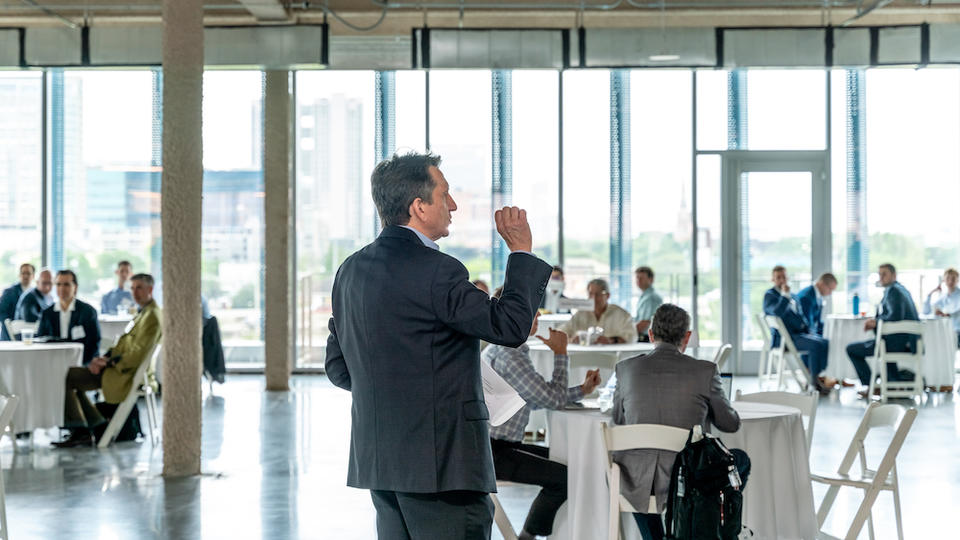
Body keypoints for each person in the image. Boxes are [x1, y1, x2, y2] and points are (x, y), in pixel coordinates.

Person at [324, 152, 552, 539]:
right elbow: (510, 326)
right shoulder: (438, 270)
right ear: (419, 207)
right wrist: (521, 252)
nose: (453, 205)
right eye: (445, 195)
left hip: (381, 463)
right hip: (443, 467)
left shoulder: (350, 270)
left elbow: (341, 369)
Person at [611, 304, 750, 540]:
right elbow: (730, 424)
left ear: (651, 335)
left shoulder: (625, 369)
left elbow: (618, 418)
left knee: (640, 467)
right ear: (686, 337)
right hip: (689, 480)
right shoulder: (705, 371)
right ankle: (699, 529)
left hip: (635, 479)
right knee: (740, 460)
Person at [483, 308, 601, 540]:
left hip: (494, 446)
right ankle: (527, 537)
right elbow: (553, 400)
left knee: (564, 462)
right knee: (564, 477)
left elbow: (535, 399)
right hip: (493, 451)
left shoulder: (501, 348)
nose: (538, 318)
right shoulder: (511, 355)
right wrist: (560, 353)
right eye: (533, 314)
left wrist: (582, 390)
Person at [53, 273, 162, 448]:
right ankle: (94, 425)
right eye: (132, 288)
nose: (134, 293)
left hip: (124, 373)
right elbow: (124, 345)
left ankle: (84, 429)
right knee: (70, 378)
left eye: (139, 288)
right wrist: (103, 358)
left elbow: (137, 354)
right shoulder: (144, 313)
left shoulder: (152, 317)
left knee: (67, 377)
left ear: (150, 289)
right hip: (117, 367)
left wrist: (109, 363)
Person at [846, 263, 920, 398]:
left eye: (884, 274)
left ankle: (871, 386)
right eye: (879, 274)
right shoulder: (900, 290)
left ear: (894, 275)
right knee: (881, 345)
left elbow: (895, 317)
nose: (881, 277)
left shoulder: (894, 291)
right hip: (904, 342)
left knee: (852, 349)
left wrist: (875, 322)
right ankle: (892, 383)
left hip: (896, 343)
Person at [762, 266, 831, 395]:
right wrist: (784, 296)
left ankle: (815, 376)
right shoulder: (770, 295)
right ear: (773, 279)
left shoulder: (793, 296)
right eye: (778, 277)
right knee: (816, 344)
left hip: (798, 334)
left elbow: (800, 316)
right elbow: (778, 313)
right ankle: (813, 382)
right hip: (783, 339)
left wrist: (808, 329)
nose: (782, 280)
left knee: (824, 342)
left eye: (784, 276)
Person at [37, 270, 101, 365]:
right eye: (58, 284)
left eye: (66, 284)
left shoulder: (88, 312)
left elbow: (93, 344)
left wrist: (79, 363)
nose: (62, 288)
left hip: (81, 363)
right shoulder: (47, 314)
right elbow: (41, 340)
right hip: (52, 363)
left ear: (75, 287)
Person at [561, 278, 638, 344]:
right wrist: (571, 340)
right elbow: (561, 332)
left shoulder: (621, 314)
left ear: (607, 296)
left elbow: (632, 336)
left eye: (598, 294)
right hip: (584, 357)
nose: (593, 298)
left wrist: (611, 340)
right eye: (591, 294)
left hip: (613, 358)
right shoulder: (580, 314)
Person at [924, 268, 960, 347]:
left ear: (957, 280)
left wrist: (945, 314)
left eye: (953, 279)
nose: (950, 281)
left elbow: (957, 312)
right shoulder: (944, 296)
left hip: (957, 332)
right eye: (948, 278)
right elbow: (926, 311)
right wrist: (931, 293)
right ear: (944, 280)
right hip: (948, 331)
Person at [796, 272, 838, 337]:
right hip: (802, 335)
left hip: (810, 331)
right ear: (822, 284)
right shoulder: (806, 297)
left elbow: (817, 322)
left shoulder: (818, 296)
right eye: (830, 289)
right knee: (828, 342)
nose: (830, 293)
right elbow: (808, 325)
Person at [0, 263, 35, 340]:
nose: (25, 276)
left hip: (28, 336)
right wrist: (11, 325)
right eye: (23, 273)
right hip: (9, 337)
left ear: (33, 276)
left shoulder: (36, 294)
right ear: (19, 275)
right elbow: (1, 312)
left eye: (28, 273)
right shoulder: (9, 292)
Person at [633, 266, 663, 343]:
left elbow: (645, 323)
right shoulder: (645, 296)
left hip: (646, 339)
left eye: (642, 278)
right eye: (637, 278)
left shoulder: (651, 298)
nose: (638, 280)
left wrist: (626, 333)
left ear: (651, 279)